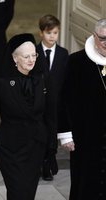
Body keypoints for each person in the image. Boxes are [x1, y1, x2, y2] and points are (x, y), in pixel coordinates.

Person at [0, 33, 57, 200]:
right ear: (15, 58)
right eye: (26, 56)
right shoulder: (2, 83)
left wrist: (51, 146)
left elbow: (50, 113)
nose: (31, 60)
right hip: (11, 147)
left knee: (28, 193)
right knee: (17, 193)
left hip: (35, 146)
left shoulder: (42, 79)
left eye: (34, 55)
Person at [58, 18, 106, 200]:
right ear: (94, 36)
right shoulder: (76, 62)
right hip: (85, 137)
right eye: (103, 39)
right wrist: (65, 134)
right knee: (85, 184)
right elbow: (63, 100)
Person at [33, 14, 69, 181]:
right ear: (41, 33)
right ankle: (39, 161)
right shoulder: (34, 52)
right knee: (40, 132)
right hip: (38, 102)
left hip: (56, 102)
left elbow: (65, 78)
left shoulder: (63, 54)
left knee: (52, 132)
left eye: (55, 33)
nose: (52, 36)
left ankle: (49, 162)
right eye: (48, 33)